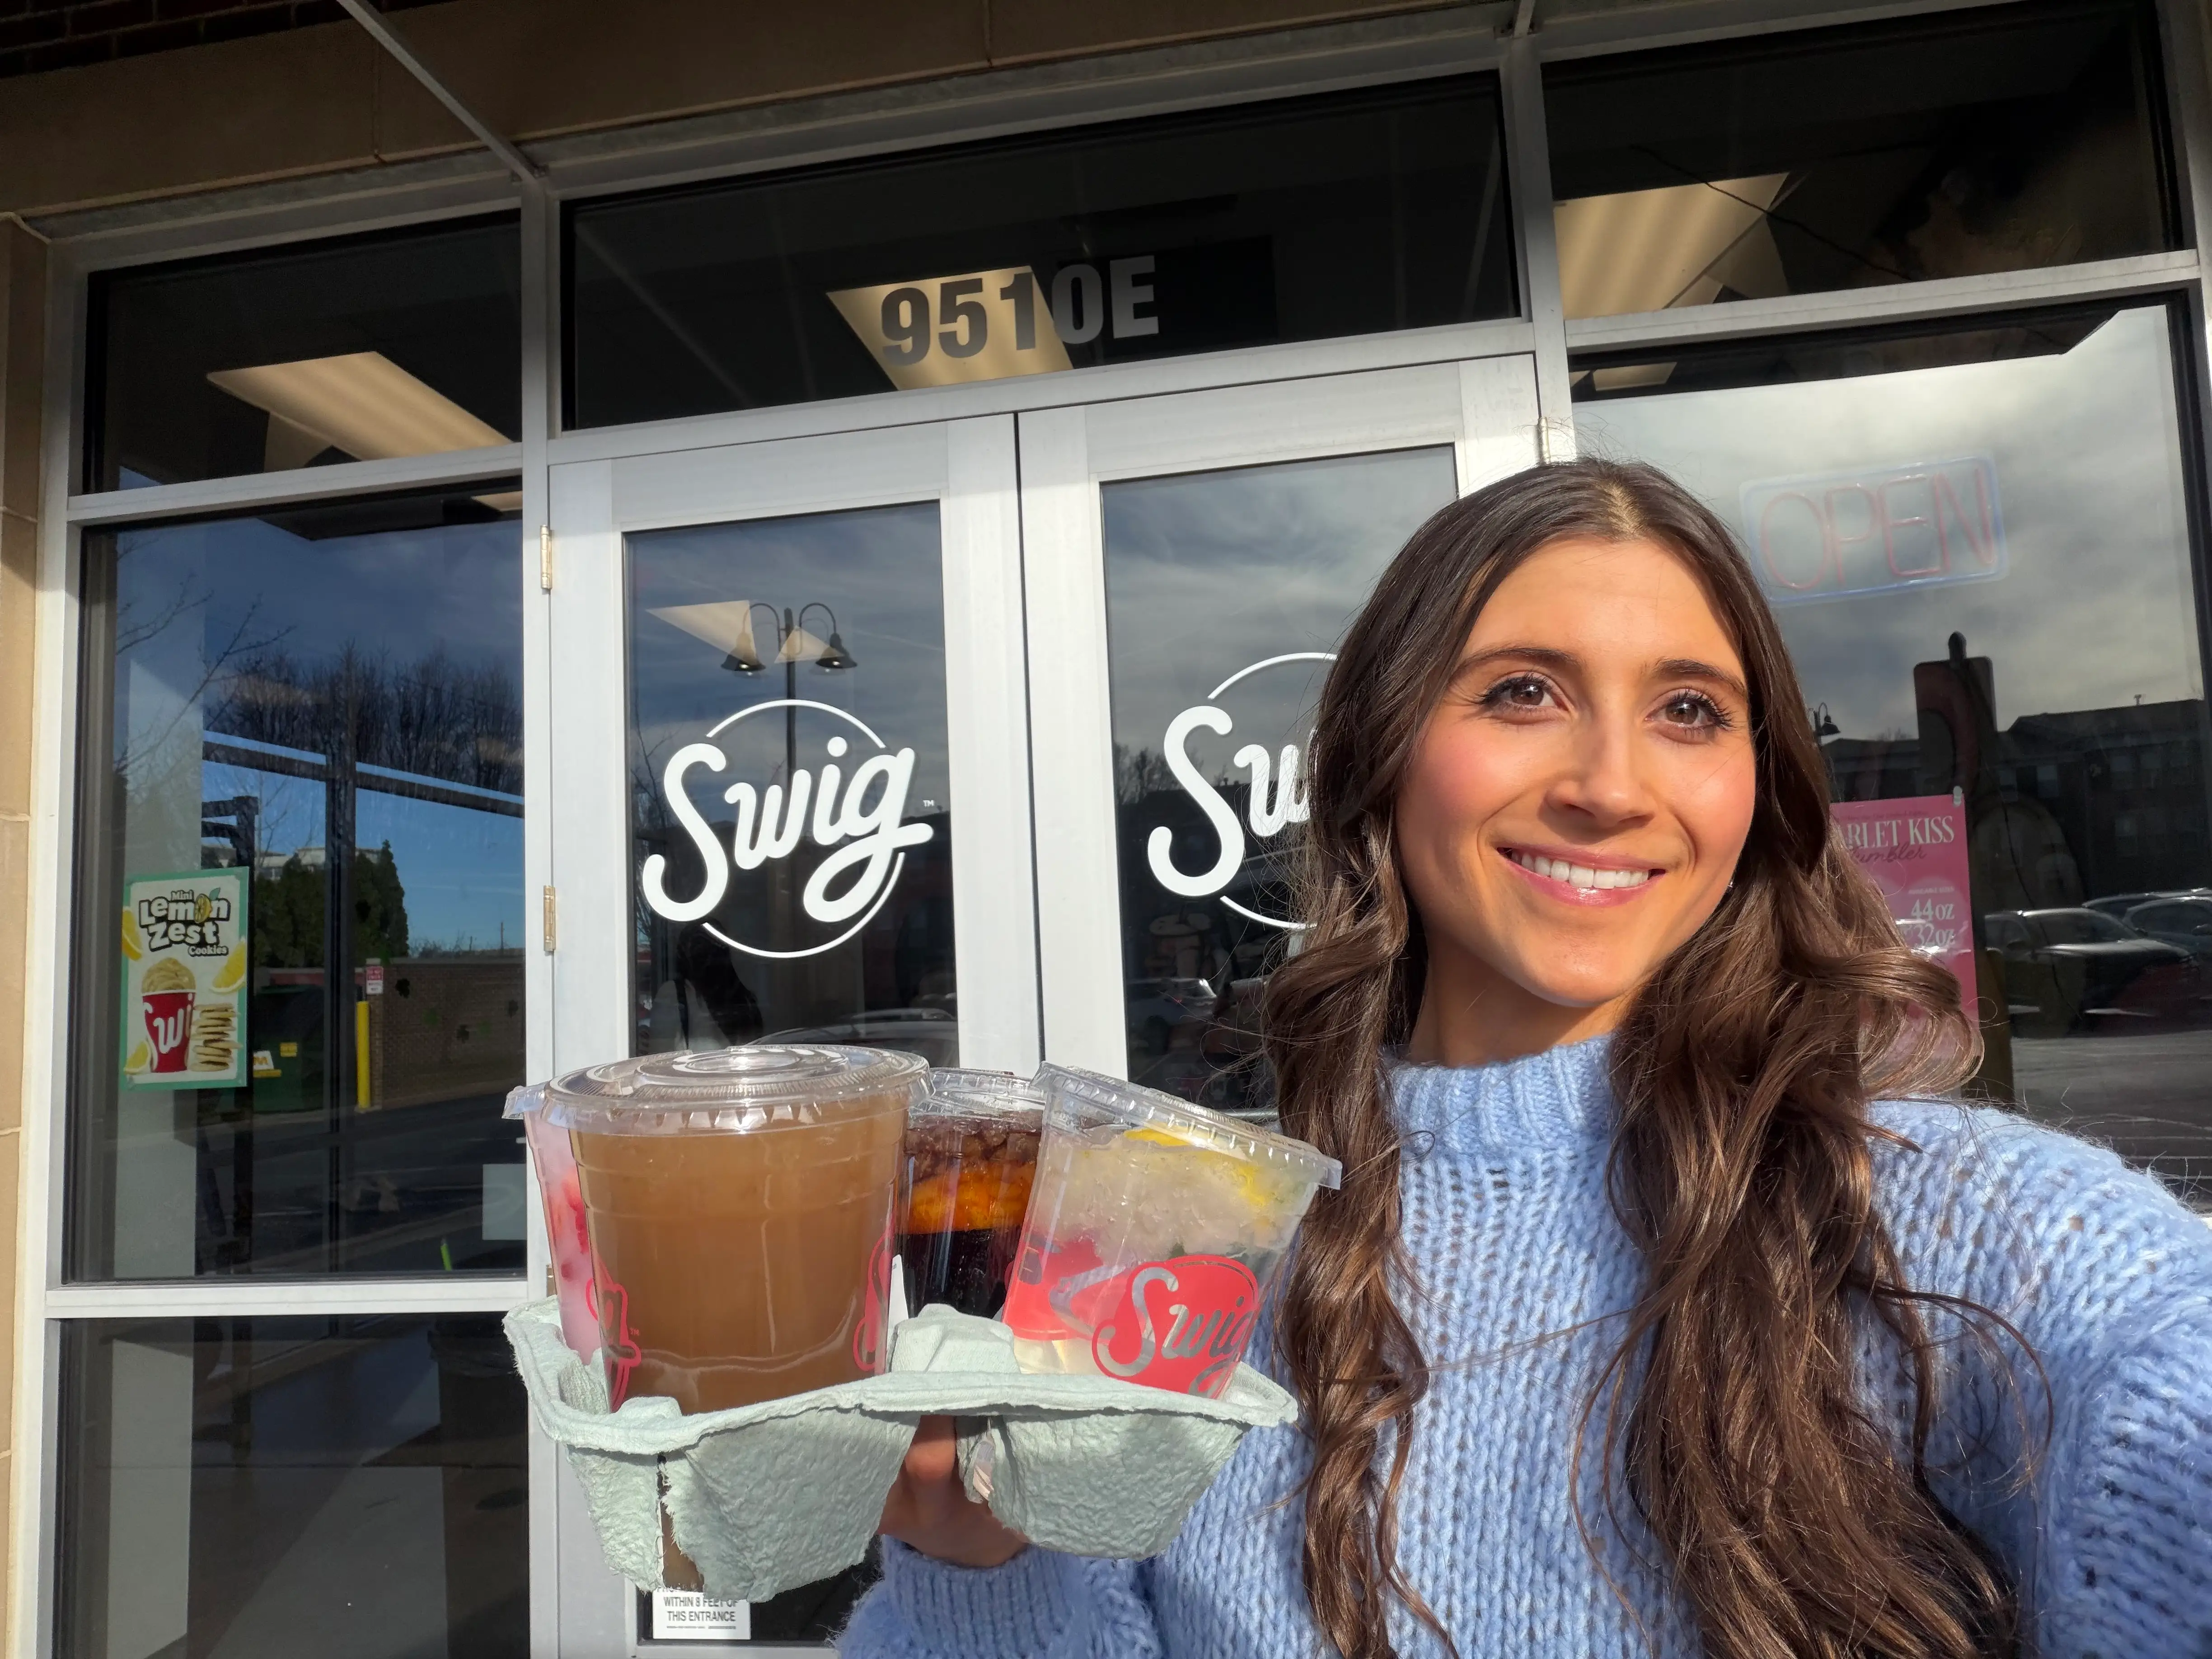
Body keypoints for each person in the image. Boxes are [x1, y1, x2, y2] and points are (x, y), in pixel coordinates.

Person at [847, 459, 2212, 1658]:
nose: (1612, 784)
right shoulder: (1184, 1259)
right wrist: (979, 1568)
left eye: (1690, 711)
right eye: (1521, 692)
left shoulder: (1950, 1229)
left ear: (1758, 785)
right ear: (1381, 758)